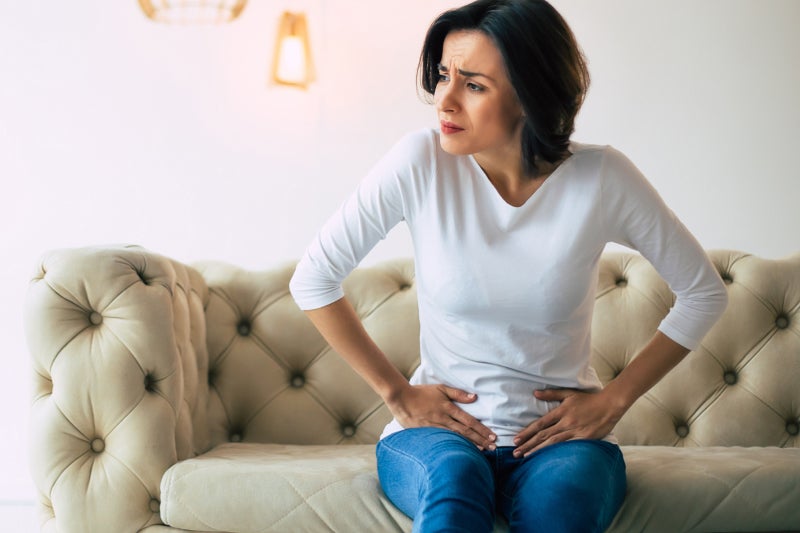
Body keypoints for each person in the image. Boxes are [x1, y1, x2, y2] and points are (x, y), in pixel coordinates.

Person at [289, 0, 728, 531]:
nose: (445, 100)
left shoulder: (603, 178)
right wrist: (396, 392)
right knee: (453, 488)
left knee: (561, 508)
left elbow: (704, 292)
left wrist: (614, 400)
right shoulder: (418, 162)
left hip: (559, 445)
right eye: (444, 76)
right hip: (438, 440)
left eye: (473, 85)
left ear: (529, 94)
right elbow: (313, 278)